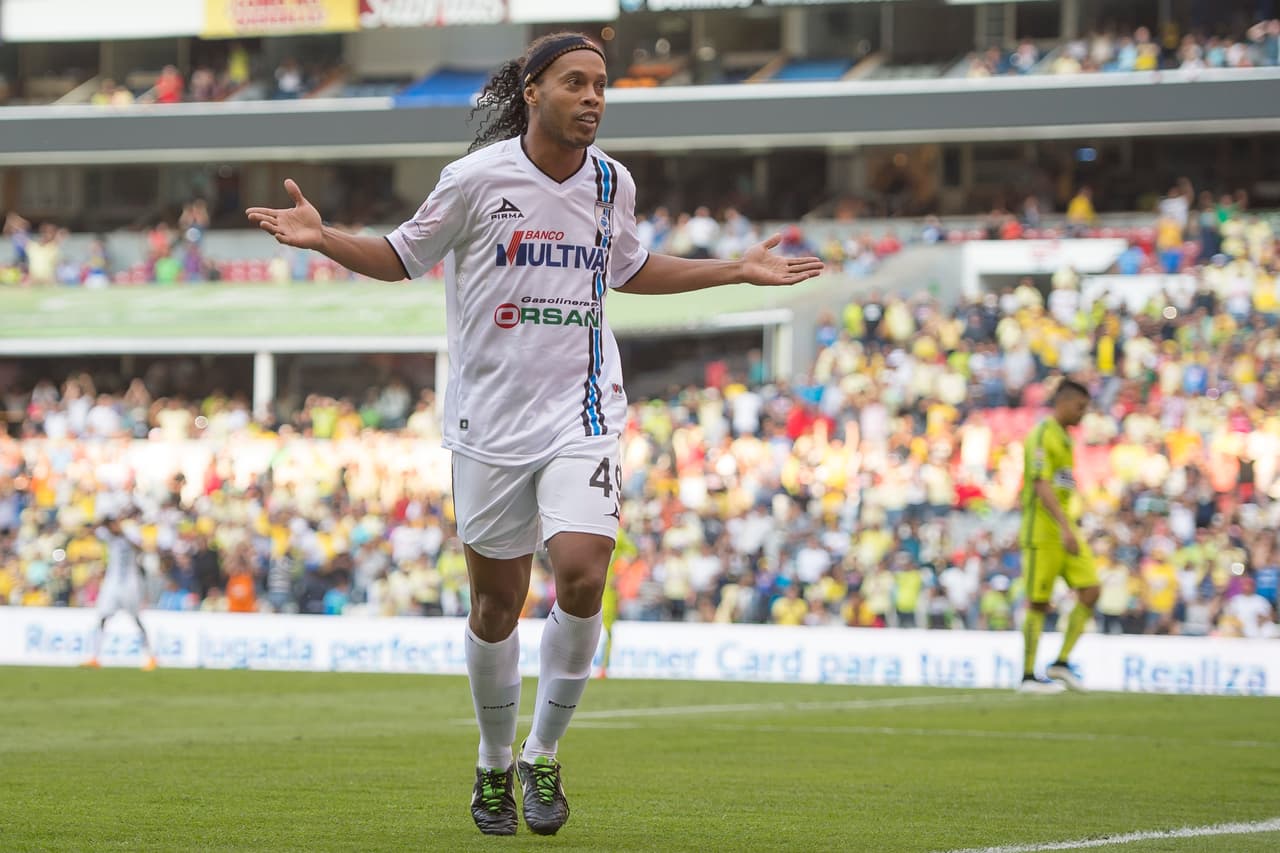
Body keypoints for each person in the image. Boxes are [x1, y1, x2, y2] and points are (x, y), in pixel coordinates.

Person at [246, 31, 821, 837]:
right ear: (532, 92)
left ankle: (545, 749)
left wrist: (732, 269)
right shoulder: (475, 180)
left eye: (602, 87)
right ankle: (493, 763)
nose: (593, 99)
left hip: (583, 412)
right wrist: (324, 237)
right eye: (576, 84)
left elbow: (629, 266)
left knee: (583, 573)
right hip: (487, 422)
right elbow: (402, 257)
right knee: (496, 604)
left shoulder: (611, 181)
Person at [1017, 378, 1099, 694]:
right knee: (1039, 603)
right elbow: (1040, 484)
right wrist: (1066, 527)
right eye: (1080, 407)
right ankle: (1027, 676)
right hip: (1043, 532)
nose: (1082, 414)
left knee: (1091, 590)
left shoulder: (1065, 439)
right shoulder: (1042, 435)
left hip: (1066, 528)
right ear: (1063, 402)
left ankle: (1061, 663)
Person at [83, 511, 158, 671]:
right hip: (112, 583)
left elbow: (140, 547)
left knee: (136, 619)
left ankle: (150, 656)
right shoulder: (108, 536)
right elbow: (92, 529)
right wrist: (104, 522)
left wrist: (123, 533)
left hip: (130, 584)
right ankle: (95, 657)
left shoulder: (129, 533)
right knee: (103, 618)